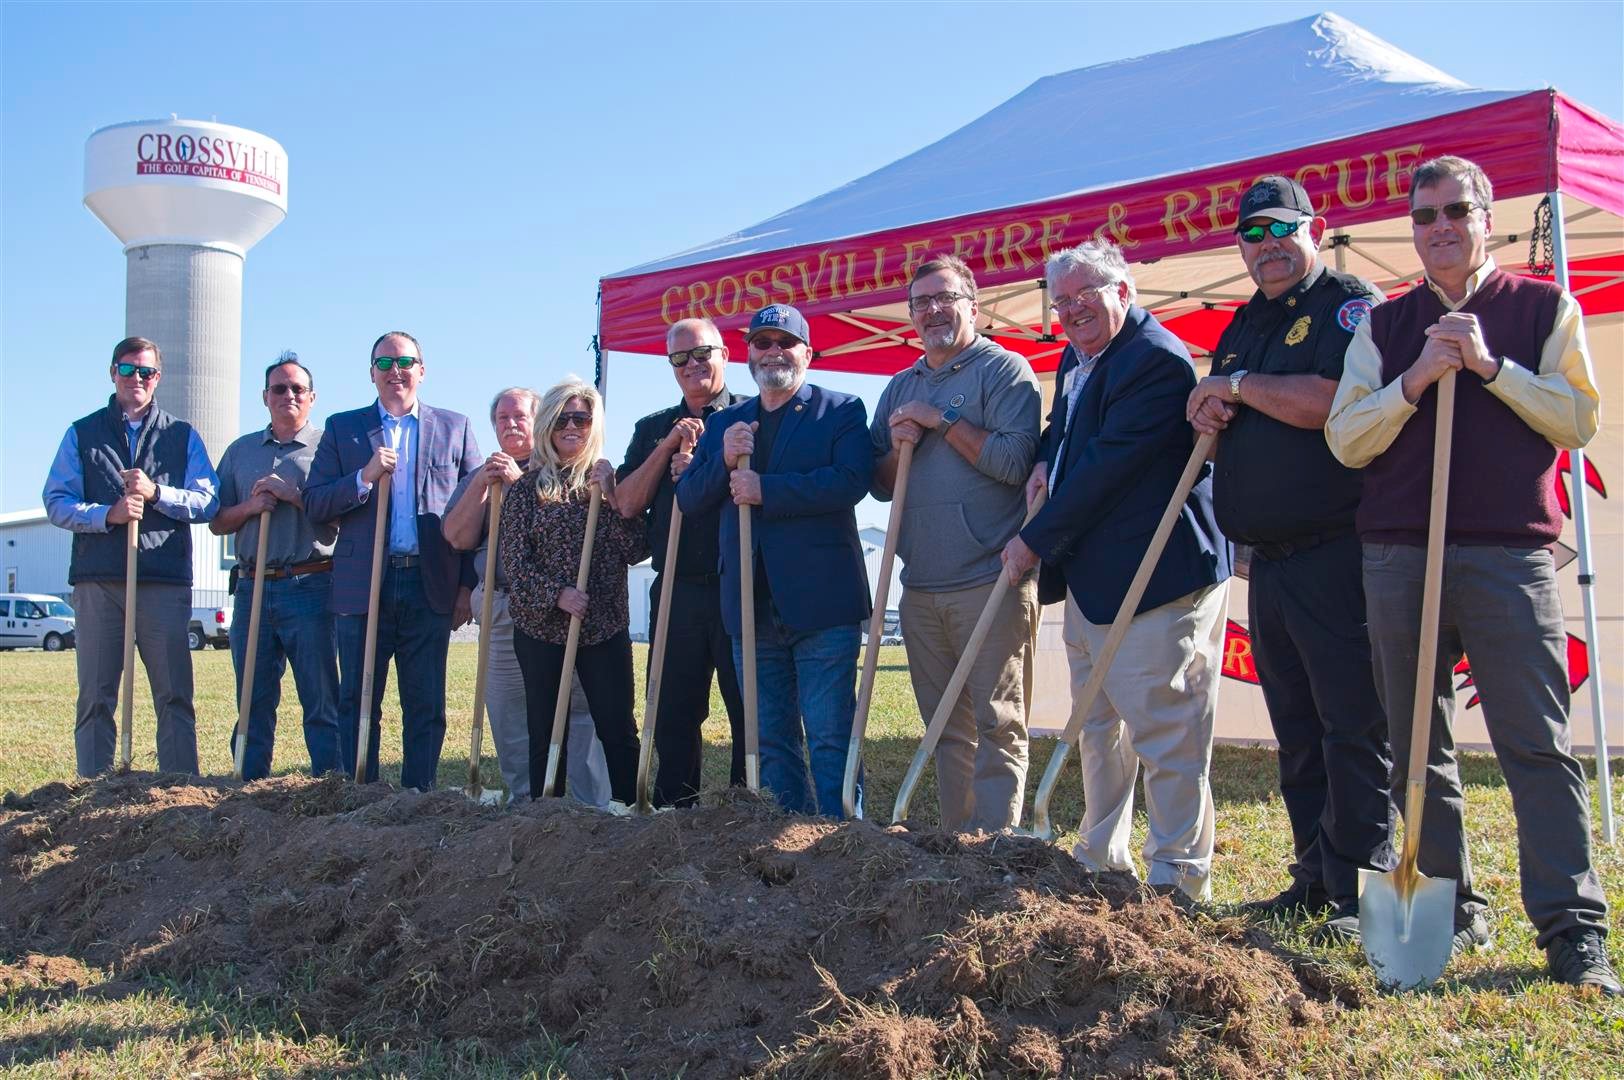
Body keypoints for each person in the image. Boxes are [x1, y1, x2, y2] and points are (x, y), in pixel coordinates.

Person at [1327, 155, 1617, 994]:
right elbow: (1347, 439)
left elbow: (1576, 422)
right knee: (1417, 747)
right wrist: (1415, 380)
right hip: (1397, 555)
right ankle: (1442, 907)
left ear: (1488, 217)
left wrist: (1492, 369)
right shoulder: (1383, 327)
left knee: (1536, 742)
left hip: (1506, 555)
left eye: (1458, 209)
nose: (1440, 227)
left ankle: (1572, 930)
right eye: (1424, 216)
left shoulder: (1541, 307)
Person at [1184, 176, 1396, 939]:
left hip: (1336, 552)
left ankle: (1362, 886)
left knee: (1352, 725)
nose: (1267, 245)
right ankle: (1313, 875)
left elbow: (1333, 401)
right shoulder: (1243, 321)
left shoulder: (1347, 303)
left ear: (1315, 229)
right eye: (1252, 233)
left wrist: (1236, 384)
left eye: (1281, 229)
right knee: (1297, 728)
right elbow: (1224, 407)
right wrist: (1208, 401)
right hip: (1267, 564)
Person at [1001, 242, 1231, 901]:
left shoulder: (1154, 360)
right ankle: (1102, 855)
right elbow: (1067, 432)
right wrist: (1046, 460)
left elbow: (1108, 467)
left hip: (1157, 572)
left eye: (1086, 295)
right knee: (1099, 725)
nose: (1073, 310)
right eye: (1062, 300)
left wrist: (1033, 541)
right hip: (1097, 576)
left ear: (1124, 292)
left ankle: (1179, 876)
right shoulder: (1082, 358)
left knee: (1166, 726)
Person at [677, 304, 873, 818]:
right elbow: (690, 500)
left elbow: (852, 481)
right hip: (749, 604)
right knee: (770, 739)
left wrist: (768, 489)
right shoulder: (727, 424)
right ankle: (787, 836)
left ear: (807, 353)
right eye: (762, 343)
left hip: (821, 604)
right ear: (749, 355)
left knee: (830, 735)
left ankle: (843, 839)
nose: (773, 352)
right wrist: (721, 461)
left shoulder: (841, 409)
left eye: (785, 342)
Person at [870, 254, 1041, 831]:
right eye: (921, 303)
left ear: (974, 305)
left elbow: (1015, 463)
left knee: (998, 720)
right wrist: (899, 444)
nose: (933, 311)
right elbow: (880, 484)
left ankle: (997, 848)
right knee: (945, 724)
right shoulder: (899, 386)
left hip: (990, 580)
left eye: (945, 298)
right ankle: (956, 844)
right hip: (921, 585)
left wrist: (941, 421)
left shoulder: (1004, 371)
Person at [304, 331, 482, 791]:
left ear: (422, 370)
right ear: (371, 374)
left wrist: (465, 585)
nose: (395, 371)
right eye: (384, 364)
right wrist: (362, 477)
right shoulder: (343, 428)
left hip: (429, 583)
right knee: (358, 698)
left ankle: (417, 798)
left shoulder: (454, 426)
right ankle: (362, 794)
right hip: (364, 586)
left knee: (425, 702)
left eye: (405, 362)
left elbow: (475, 513)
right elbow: (315, 503)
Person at [43, 336, 219, 776]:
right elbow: (56, 501)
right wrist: (109, 514)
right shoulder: (83, 433)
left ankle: (179, 792)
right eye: (128, 370)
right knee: (96, 695)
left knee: (174, 693)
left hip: (162, 579)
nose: (136, 379)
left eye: (146, 372)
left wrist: (157, 493)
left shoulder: (182, 436)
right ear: (113, 373)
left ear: (157, 378)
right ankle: (95, 792)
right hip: (99, 580)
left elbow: (208, 500)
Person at [443, 386, 611, 805]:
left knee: (575, 707)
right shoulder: (479, 476)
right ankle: (526, 802)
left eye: (520, 416)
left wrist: (520, 486)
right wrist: (483, 483)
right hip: (500, 606)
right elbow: (457, 538)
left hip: (555, 608)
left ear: (542, 420)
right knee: (508, 710)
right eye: (502, 418)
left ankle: (591, 805)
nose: (511, 424)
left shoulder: (560, 469)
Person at [614, 318, 747, 807]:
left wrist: (704, 470)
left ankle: (744, 810)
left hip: (740, 585)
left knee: (748, 710)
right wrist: (667, 446)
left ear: (724, 354)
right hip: (675, 587)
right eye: (680, 358)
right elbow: (626, 504)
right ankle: (676, 814)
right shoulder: (651, 428)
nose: (692, 365)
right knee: (672, 712)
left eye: (702, 353)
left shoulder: (752, 416)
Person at [501, 379, 647, 804]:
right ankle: (548, 815)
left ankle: (629, 809)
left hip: (603, 625)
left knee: (616, 724)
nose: (571, 427)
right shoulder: (527, 489)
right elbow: (514, 564)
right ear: (547, 425)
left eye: (580, 418)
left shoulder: (606, 482)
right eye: (562, 418)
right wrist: (558, 594)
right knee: (546, 728)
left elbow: (635, 548)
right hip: (541, 629)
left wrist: (615, 494)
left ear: (592, 424)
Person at [210, 351, 342, 780]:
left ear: (312, 397)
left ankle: (329, 785)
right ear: (265, 396)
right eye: (279, 389)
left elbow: (343, 518)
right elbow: (217, 521)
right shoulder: (240, 451)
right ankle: (247, 788)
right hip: (252, 588)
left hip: (310, 583)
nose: (288, 395)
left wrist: (293, 495)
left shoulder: (328, 449)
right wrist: (250, 506)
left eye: (297, 389)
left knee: (320, 697)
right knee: (252, 697)